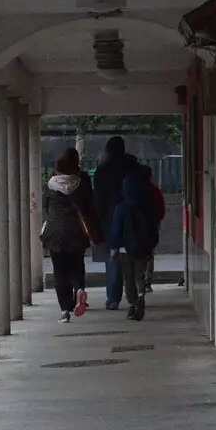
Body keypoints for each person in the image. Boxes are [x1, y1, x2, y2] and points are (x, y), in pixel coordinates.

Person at [41, 148, 100, 323]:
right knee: (76, 263)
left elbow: (46, 207)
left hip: (55, 232)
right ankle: (79, 288)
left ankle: (65, 311)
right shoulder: (82, 181)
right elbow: (90, 205)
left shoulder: (50, 183)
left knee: (59, 271)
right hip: (76, 231)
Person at [108, 164, 161, 321]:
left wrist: (113, 248)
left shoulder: (121, 207)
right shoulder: (149, 204)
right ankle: (141, 295)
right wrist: (152, 245)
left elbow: (116, 230)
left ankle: (132, 304)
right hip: (144, 247)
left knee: (128, 277)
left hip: (126, 249)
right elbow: (154, 225)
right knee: (140, 275)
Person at [92, 136, 138, 310]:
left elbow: (98, 200)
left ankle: (113, 298)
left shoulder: (102, 171)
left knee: (112, 258)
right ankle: (136, 296)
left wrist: (96, 222)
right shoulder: (134, 167)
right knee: (135, 257)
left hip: (110, 219)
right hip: (134, 217)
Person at [140, 164, 166, 293]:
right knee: (149, 254)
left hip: (137, 226)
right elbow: (161, 209)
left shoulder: (133, 190)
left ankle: (138, 280)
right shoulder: (154, 190)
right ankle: (147, 282)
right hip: (152, 225)